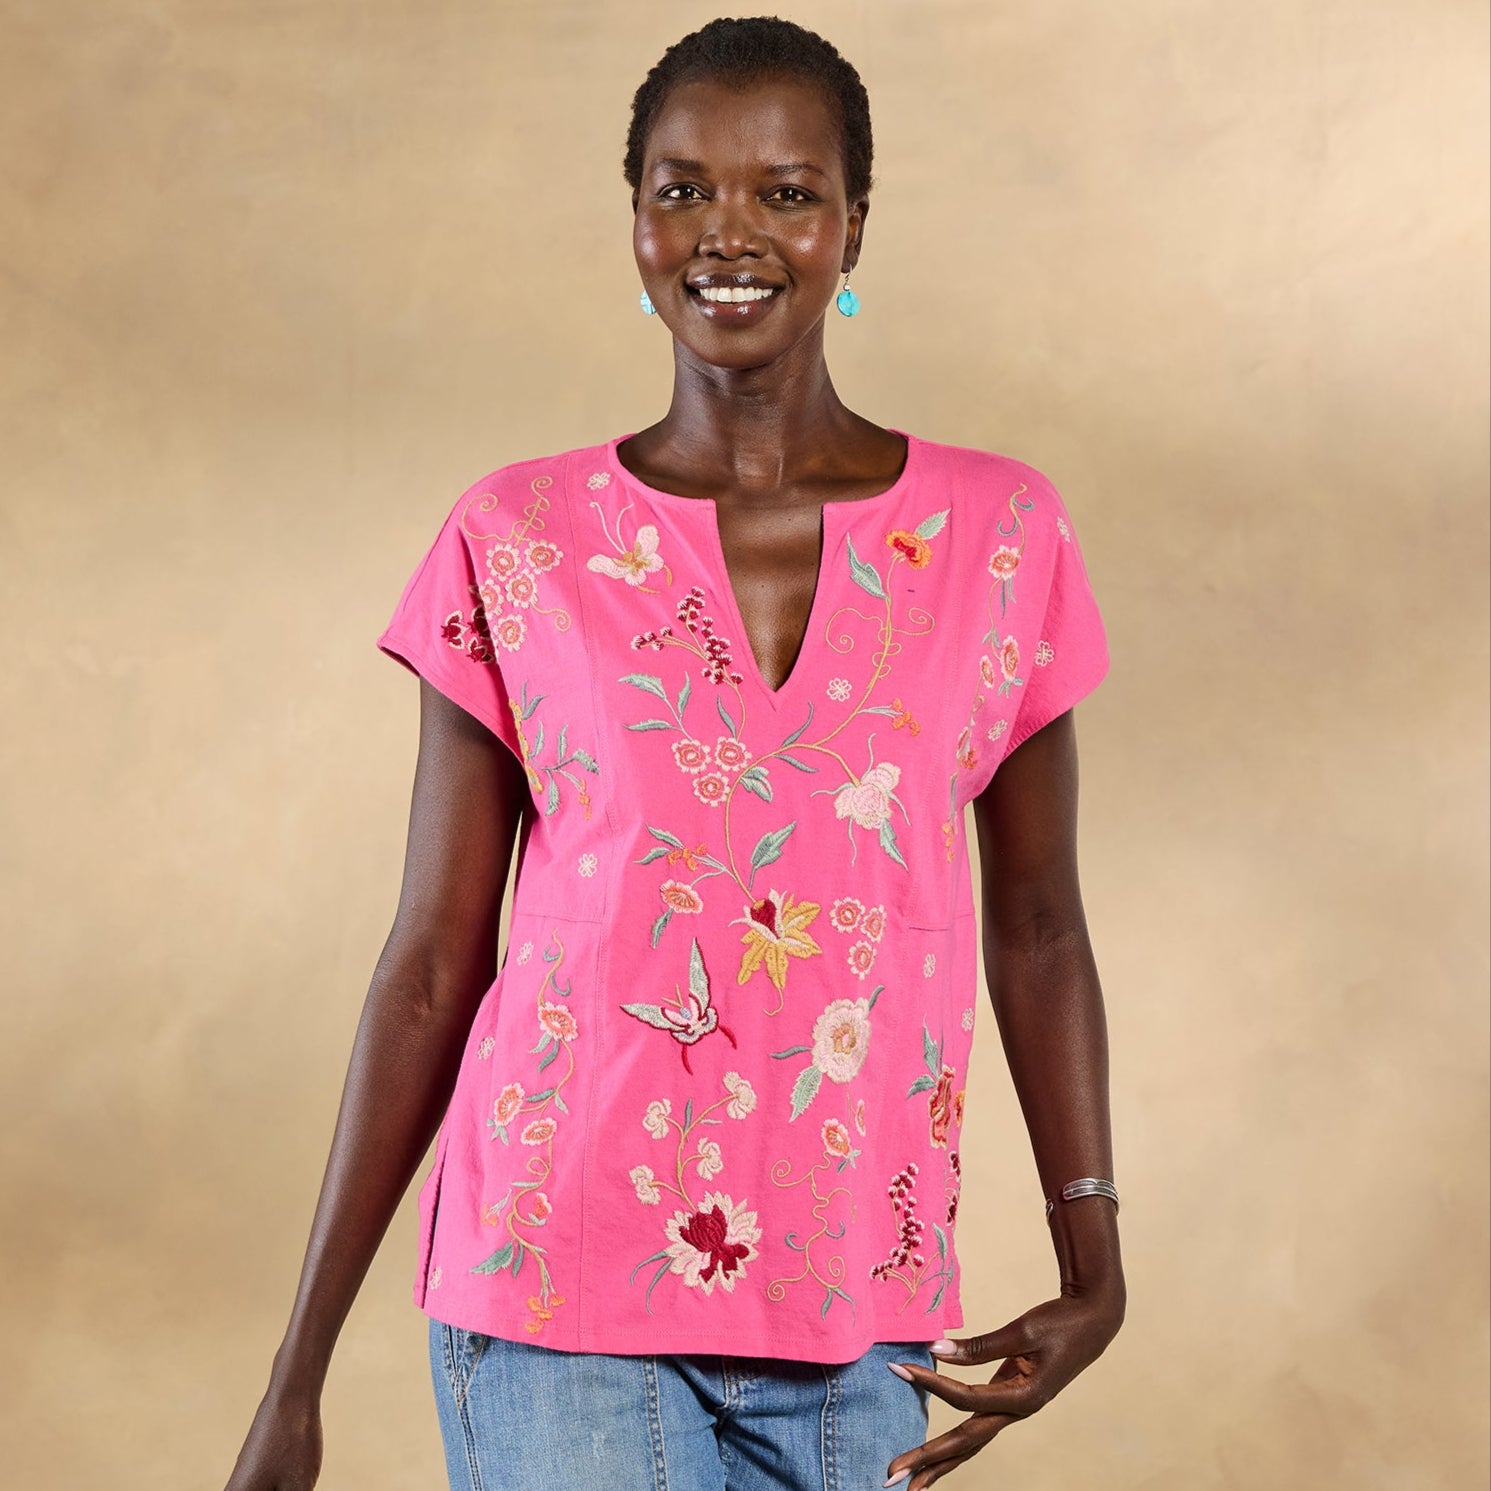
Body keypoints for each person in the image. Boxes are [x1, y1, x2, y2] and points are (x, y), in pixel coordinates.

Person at [224, 16, 1125, 1491]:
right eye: (683, 188)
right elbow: (435, 962)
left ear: (853, 226)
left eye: (787, 192)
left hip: (862, 1315)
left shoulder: (999, 536)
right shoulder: (518, 538)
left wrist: (1095, 1260)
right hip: (558, 1297)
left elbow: (1037, 926)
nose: (729, 232)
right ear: (635, 219)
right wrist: (296, 1377)